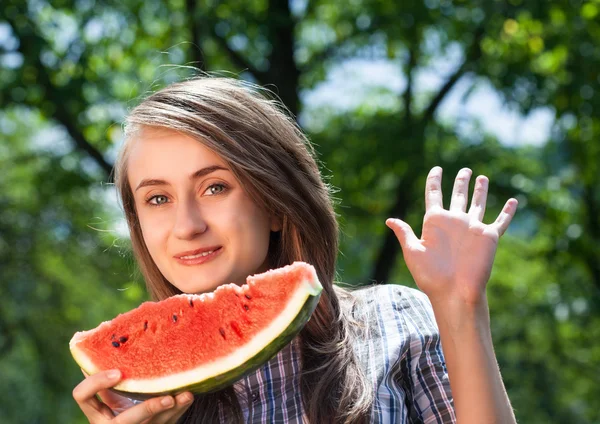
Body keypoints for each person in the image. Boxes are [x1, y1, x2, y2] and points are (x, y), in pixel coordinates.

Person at [72, 77, 518, 424]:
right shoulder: (133, 395)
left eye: (215, 187)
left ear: (275, 205)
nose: (187, 226)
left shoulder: (392, 318)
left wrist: (460, 306)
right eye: (157, 198)